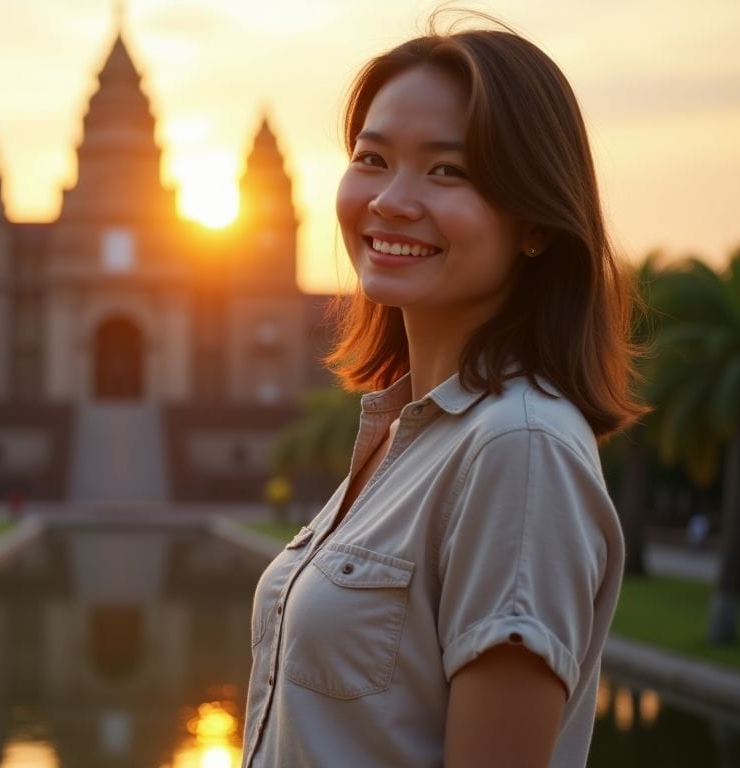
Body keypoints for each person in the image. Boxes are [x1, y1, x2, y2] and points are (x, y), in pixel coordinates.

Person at [241, 18, 645, 768]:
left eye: (447, 171)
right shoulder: (409, 434)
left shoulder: (519, 449)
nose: (391, 200)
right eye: (373, 158)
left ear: (533, 223)